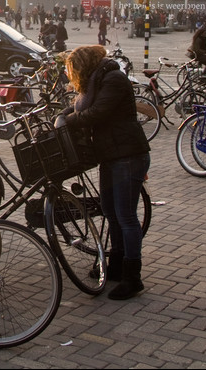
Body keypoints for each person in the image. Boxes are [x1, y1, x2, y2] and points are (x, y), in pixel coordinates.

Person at [61, 45, 151, 300]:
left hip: (128, 156)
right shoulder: (96, 80)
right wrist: (64, 113)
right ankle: (116, 265)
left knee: (126, 216)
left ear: (83, 66)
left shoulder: (112, 79)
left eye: (73, 71)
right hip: (111, 155)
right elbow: (79, 106)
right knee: (111, 212)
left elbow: (98, 112)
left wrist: (70, 120)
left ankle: (133, 277)